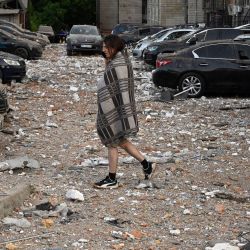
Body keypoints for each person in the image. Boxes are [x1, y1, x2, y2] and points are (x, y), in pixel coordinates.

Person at [94, 34, 156, 189]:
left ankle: (112, 179)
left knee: (111, 142)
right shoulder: (118, 61)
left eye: (106, 47)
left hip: (114, 108)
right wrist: (106, 61)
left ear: (113, 47)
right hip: (116, 107)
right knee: (120, 140)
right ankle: (147, 164)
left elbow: (109, 83)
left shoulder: (118, 64)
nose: (103, 50)